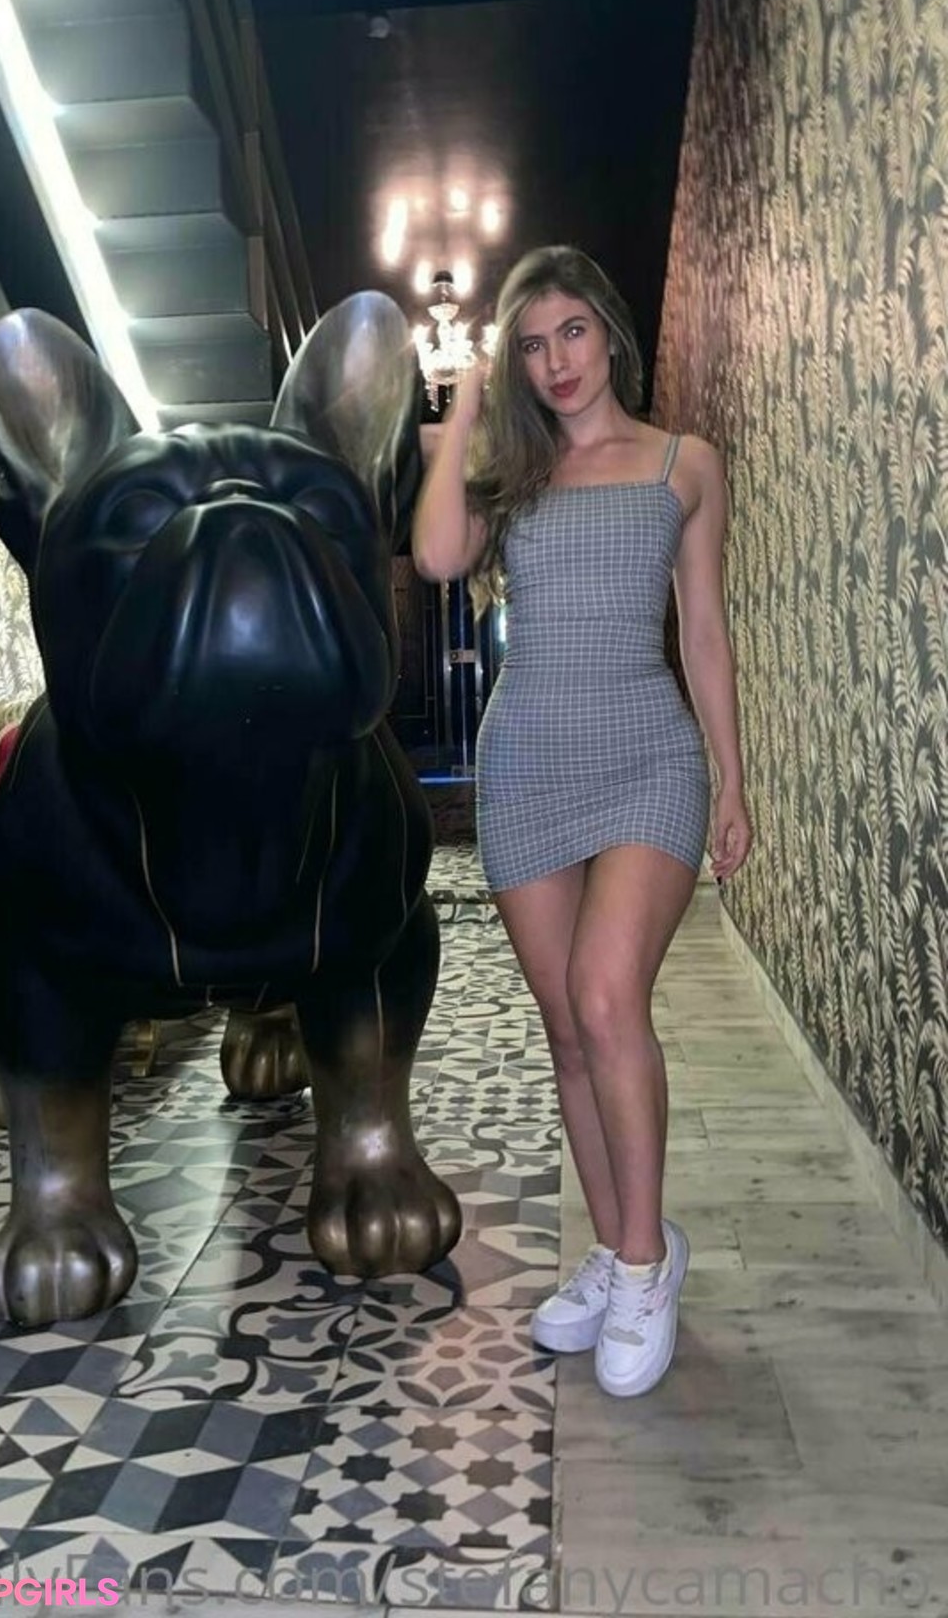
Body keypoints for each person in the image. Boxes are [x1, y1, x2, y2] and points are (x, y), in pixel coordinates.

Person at [411, 245, 751, 1398]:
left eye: (572, 331)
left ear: (609, 330)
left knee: (608, 997)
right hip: (527, 762)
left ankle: (647, 1262)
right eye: (532, 343)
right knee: (566, 1027)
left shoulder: (684, 463)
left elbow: (703, 632)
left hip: (649, 754)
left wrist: (733, 779)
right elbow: (436, 554)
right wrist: (466, 401)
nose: (557, 360)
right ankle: (613, 1247)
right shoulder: (512, 473)